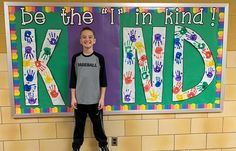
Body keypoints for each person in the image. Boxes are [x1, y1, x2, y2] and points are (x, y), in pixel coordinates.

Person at [70, 27, 109, 151]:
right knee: (78, 128)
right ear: (81, 40)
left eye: (90, 37)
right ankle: (76, 148)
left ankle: (103, 146)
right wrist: (73, 97)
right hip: (79, 101)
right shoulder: (76, 58)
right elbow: (73, 79)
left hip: (96, 102)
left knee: (98, 128)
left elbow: (103, 80)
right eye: (84, 37)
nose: (87, 39)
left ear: (94, 40)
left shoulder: (99, 58)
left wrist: (102, 98)